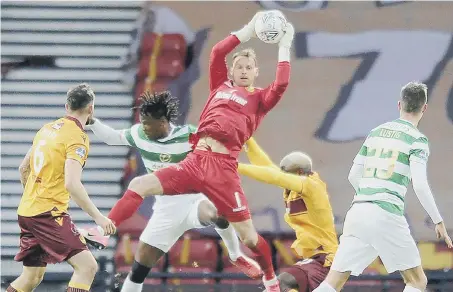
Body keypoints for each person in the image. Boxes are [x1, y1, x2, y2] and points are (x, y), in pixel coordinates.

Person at [104, 12, 294, 291]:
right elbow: (218, 51)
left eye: (248, 66)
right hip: (196, 160)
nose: (242, 69)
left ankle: (269, 279)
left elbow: (281, 84)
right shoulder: (219, 86)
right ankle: (104, 228)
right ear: (231, 71)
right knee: (139, 183)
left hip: (223, 168)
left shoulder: (260, 100)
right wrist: (250, 29)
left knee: (250, 238)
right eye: (238, 66)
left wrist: (284, 45)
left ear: (255, 72)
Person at [81, 90, 262, 291]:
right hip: (165, 210)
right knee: (138, 272)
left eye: (149, 123)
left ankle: (236, 254)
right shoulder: (139, 134)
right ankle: (103, 233)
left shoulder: (189, 136)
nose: (145, 127)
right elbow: (113, 137)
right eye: (143, 122)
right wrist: (92, 122)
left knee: (219, 212)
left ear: (164, 122)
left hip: (193, 200)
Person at [313, 82, 453, 292]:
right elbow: (421, 185)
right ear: (424, 108)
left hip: (358, 211)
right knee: (417, 281)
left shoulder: (376, 132)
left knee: (333, 282)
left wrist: (368, 196)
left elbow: (354, 175)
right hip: (386, 213)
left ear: (399, 105)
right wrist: (438, 221)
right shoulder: (417, 140)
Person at [6, 84, 116, 292]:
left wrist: (35, 201)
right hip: (47, 214)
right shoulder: (78, 137)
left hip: (27, 211)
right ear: (91, 109)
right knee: (87, 267)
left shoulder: (46, 129)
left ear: (67, 106)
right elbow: (72, 184)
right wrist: (99, 217)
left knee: (31, 277)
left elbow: (23, 169)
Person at [237, 137, 339, 292]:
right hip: (312, 259)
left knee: (279, 284)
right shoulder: (293, 188)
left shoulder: (311, 184)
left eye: (287, 175)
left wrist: (233, 166)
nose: (284, 177)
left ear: (299, 172)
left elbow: (275, 176)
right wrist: (248, 141)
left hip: (326, 259)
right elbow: (268, 168)